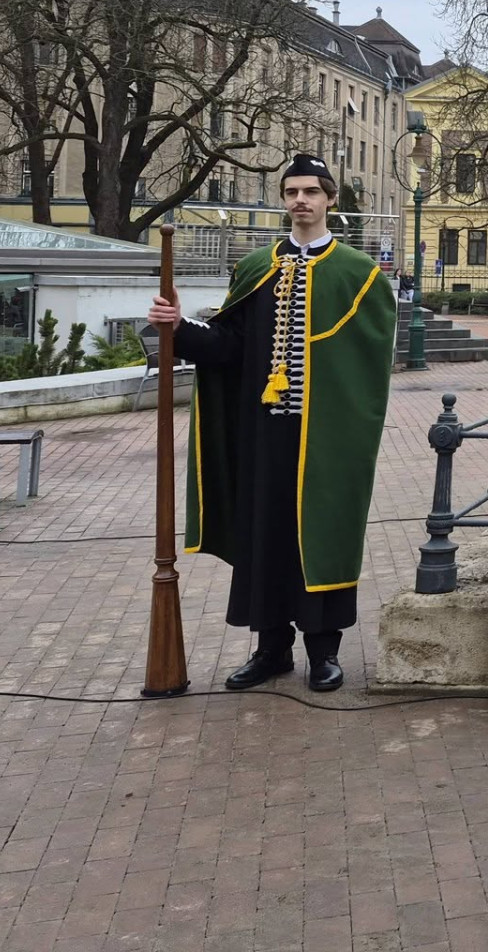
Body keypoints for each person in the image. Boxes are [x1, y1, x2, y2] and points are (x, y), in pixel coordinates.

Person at [147, 153, 397, 694]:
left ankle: (324, 652)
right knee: (265, 535)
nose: (301, 201)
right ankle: (270, 649)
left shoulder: (359, 274)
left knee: (323, 538)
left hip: (326, 437)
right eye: (291, 192)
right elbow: (229, 346)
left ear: (330, 199)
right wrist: (180, 326)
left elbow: (370, 364)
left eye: (311, 191)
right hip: (264, 435)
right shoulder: (256, 267)